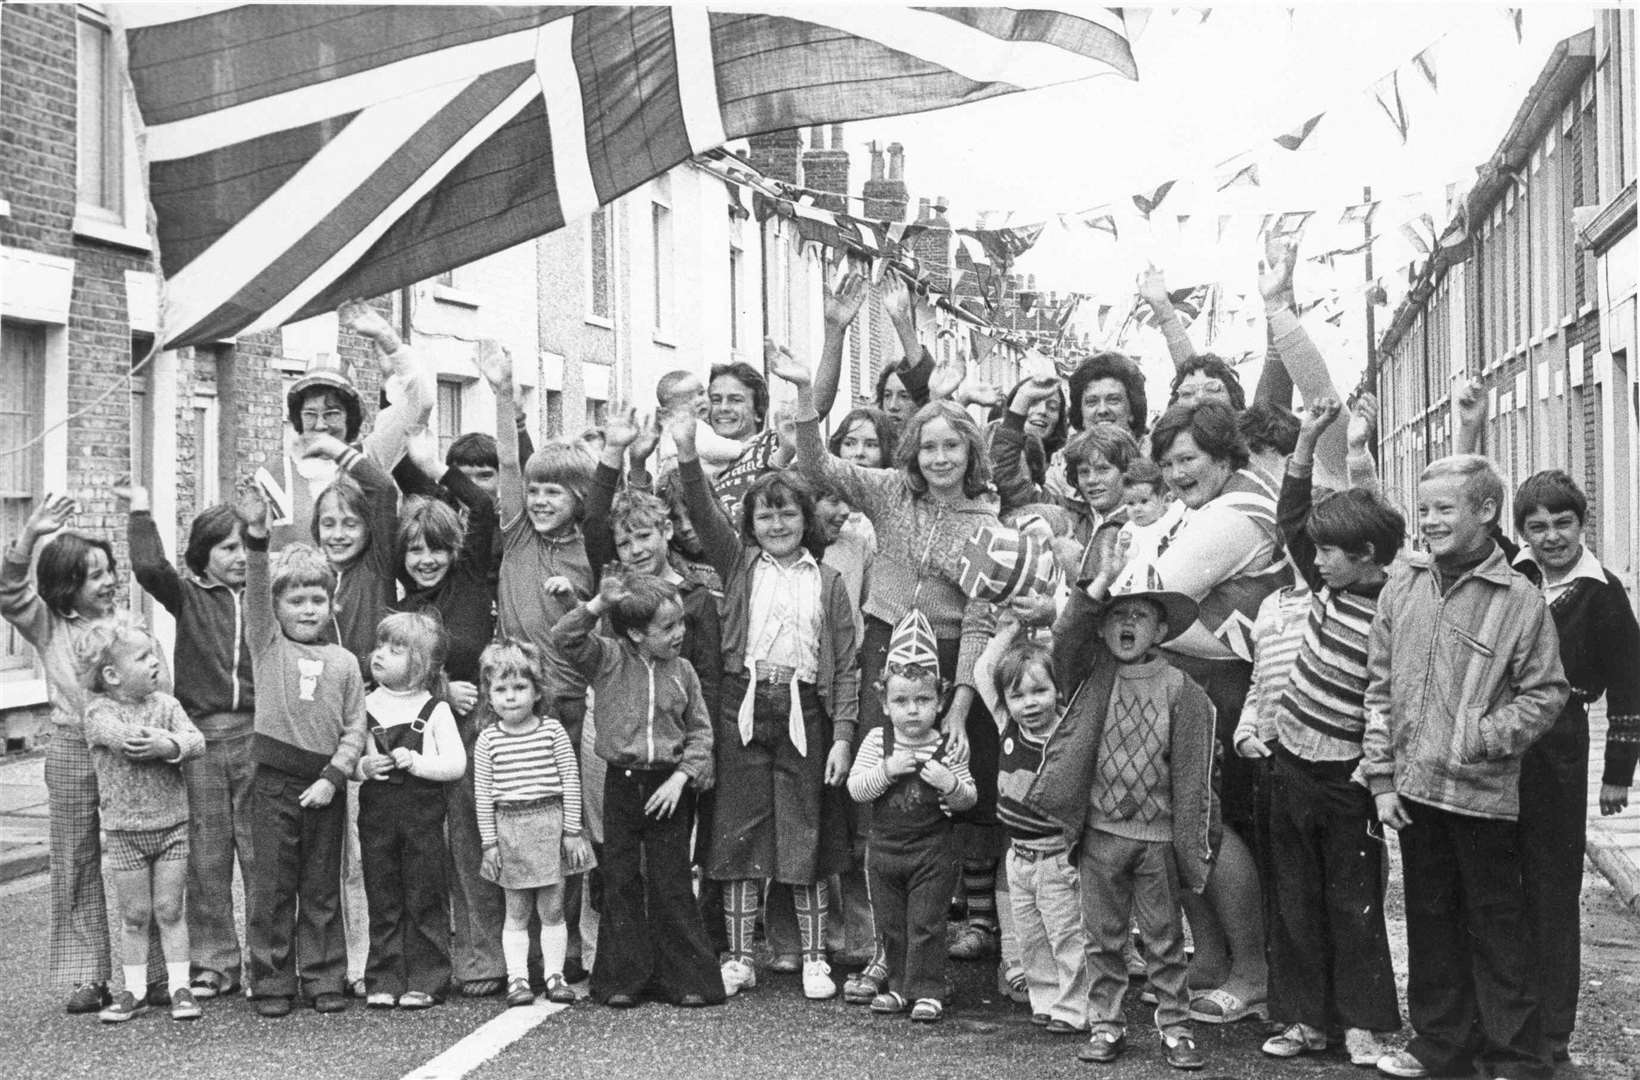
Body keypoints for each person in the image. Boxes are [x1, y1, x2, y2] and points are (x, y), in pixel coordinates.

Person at [781, 343, 1004, 969]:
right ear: (912, 451)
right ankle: (886, 945)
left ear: (970, 452)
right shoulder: (886, 491)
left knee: (946, 788)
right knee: (883, 789)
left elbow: (983, 616)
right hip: (885, 645)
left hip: (953, 655)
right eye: (928, 447)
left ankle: (948, 937)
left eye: (951, 447)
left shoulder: (987, 515)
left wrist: (960, 710)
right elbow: (818, 466)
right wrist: (805, 396)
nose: (939, 458)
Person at [1359, 454, 1567, 1080]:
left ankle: (1517, 1057)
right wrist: (1383, 779)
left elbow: (1546, 693)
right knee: (1430, 924)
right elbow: (1378, 689)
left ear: (1485, 512)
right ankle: (1439, 1047)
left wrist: (1482, 737)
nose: (1429, 522)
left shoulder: (1522, 599)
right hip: (1415, 794)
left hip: (1483, 797)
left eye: (1444, 509)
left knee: (1498, 927)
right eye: (1423, 510)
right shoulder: (1404, 587)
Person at [669, 408, 860, 1002]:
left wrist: (846, 736)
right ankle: (740, 956)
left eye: (788, 511)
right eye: (765, 512)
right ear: (749, 522)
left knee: (804, 831)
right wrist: (684, 453)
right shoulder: (739, 563)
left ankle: (813, 958)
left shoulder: (826, 580)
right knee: (739, 832)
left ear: (807, 519)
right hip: (741, 702)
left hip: (806, 706)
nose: (777, 521)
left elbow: (848, 664)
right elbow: (701, 510)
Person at [1113, 400, 1293, 1023]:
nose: (1175, 474)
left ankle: (1252, 972)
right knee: (1186, 826)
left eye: (1187, 459)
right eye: (1165, 463)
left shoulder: (1234, 515)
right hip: (1198, 682)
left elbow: (1146, 593)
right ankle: (1213, 960)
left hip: (1227, 691)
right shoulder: (1212, 505)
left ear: (1223, 456)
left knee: (1212, 828)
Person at [1242, 399, 1404, 1065]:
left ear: (1365, 557)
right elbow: (1291, 519)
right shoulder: (1326, 588)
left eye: (1329, 551)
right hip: (1291, 766)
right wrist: (1307, 443)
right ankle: (1307, 1021)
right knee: (1296, 902)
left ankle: (1362, 1025)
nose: (1316, 559)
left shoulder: (1394, 611)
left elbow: (1385, 701)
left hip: (1348, 780)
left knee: (1353, 903)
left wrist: (1377, 775)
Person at [1027, 576, 1217, 1071]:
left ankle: (1175, 1027)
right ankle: (1106, 1023)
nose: (1127, 623)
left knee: (1164, 938)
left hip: (1155, 839)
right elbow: (1067, 636)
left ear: (1160, 631)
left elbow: (1194, 775)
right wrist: (1092, 590)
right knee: (1102, 937)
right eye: (1117, 614)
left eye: (1140, 616)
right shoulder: (1092, 674)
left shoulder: (1182, 690)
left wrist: (1189, 842)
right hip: (1100, 834)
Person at [2, 494, 167, 1013]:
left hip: (131, 746)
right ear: (66, 586)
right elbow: (7, 589)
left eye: (108, 569)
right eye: (93, 574)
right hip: (73, 746)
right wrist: (30, 535)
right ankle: (87, 974)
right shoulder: (47, 623)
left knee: (147, 851)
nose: (108, 580)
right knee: (74, 858)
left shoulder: (129, 625)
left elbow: (160, 683)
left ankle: (157, 974)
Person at [1509, 469, 1639, 1062]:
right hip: (1500, 741)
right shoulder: (1513, 576)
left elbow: (1630, 687)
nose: (1552, 536)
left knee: (1552, 887)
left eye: (1563, 523)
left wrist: (1619, 771)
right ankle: (1505, 1015)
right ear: (1522, 532)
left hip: (1561, 742)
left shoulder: (1604, 593)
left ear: (1582, 524)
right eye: (1537, 527)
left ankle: (1550, 1032)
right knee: (1500, 884)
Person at [551, 571, 720, 1008]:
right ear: (635, 634)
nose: (679, 633)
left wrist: (682, 779)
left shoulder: (684, 672)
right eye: (667, 628)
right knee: (621, 879)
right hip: (621, 785)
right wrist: (596, 606)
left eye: (681, 623)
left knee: (672, 882)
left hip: (670, 786)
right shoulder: (607, 659)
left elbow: (700, 734)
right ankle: (621, 981)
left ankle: (687, 981)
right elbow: (563, 638)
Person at [123, 484, 255, 1002]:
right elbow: (151, 569)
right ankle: (216, 963)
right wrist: (139, 512)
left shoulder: (267, 594)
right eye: (227, 547)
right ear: (204, 554)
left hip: (258, 735)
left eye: (246, 545)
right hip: (201, 738)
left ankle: (271, 960)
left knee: (261, 852)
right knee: (207, 855)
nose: (240, 556)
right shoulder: (190, 596)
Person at [238, 492, 368, 1018]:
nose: (308, 609)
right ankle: (271, 980)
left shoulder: (345, 662)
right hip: (272, 783)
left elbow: (355, 729)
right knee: (272, 887)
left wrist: (334, 778)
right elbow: (253, 588)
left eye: (317, 599)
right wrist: (255, 539)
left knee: (320, 887)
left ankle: (323, 974)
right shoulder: (266, 644)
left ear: (332, 602)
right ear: (276, 608)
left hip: (324, 786)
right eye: (295, 601)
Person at [392, 431, 506, 996]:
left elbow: (482, 505)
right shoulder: (402, 606)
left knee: (469, 843)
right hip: (416, 739)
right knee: (421, 853)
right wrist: (441, 686)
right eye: (415, 551)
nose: (426, 560)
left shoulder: (470, 578)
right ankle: (429, 960)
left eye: (436, 549)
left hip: (470, 734)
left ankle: (483, 957)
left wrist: (428, 466)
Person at [847, 613, 977, 1023]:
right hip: (885, 849)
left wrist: (950, 785)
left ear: (940, 701)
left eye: (922, 700)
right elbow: (856, 788)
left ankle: (929, 990)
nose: (913, 711)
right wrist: (886, 771)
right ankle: (898, 987)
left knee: (926, 921)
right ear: (884, 703)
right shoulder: (877, 741)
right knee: (892, 922)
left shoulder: (948, 746)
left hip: (932, 851)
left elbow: (968, 799)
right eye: (901, 701)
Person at [82, 627, 206, 1022]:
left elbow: (196, 741)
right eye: (142, 657)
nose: (155, 662)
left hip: (171, 826)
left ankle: (180, 988)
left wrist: (170, 745)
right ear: (112, 676)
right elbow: (126, 741)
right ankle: (133, 991)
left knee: (170, 909)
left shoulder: (168, 705)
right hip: (124, 832)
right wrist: (160, 742)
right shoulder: (98, 712)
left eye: (154, 654)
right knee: (134, 915)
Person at [974, 628, 1089, 1034]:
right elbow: (984, 667)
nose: (1029, 703)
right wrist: (1009, 623)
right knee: (1031, 938)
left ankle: (1075, 1008)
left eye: (1039, 691)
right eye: (1017, 696)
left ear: (1058, 690)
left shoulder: (1068, 733)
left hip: (1057, 856)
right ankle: (1046, 999)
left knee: (1067, 937)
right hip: (1018, 855)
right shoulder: (1007, 726)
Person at [355, 612, 466, 1009]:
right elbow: (350, 758)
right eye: (380, 646)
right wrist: (364, 768)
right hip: (377, 817)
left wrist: (417, 763)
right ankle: (384, 977)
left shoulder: (435, 709)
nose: (379, 654)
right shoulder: (364, 705)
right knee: (383, 895)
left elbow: (456, 764)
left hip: (422, 820)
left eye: (394, 649)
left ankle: (429, 978)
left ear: (419, 664)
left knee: (424, 895)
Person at [472, 640, 592, 1009]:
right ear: (488, 697)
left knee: (552, 909)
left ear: (538, 692)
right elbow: (483, 795)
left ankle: (554, 975)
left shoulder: (552, 732)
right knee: (517, 910)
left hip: (550, 825)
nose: (511, 697)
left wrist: (572, 832)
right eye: (501, 689)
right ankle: (517, 978)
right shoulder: (487, 740)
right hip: (509, 830)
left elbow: (571, 781)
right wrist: (489, 844)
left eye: (520, 687)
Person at [272, 300, 433, 551]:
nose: (321, 424)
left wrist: (388, 339)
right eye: (310, 413)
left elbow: (421, 402)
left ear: (351, 416)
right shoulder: (274, 475)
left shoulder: (371, 457)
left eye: (332, 413)